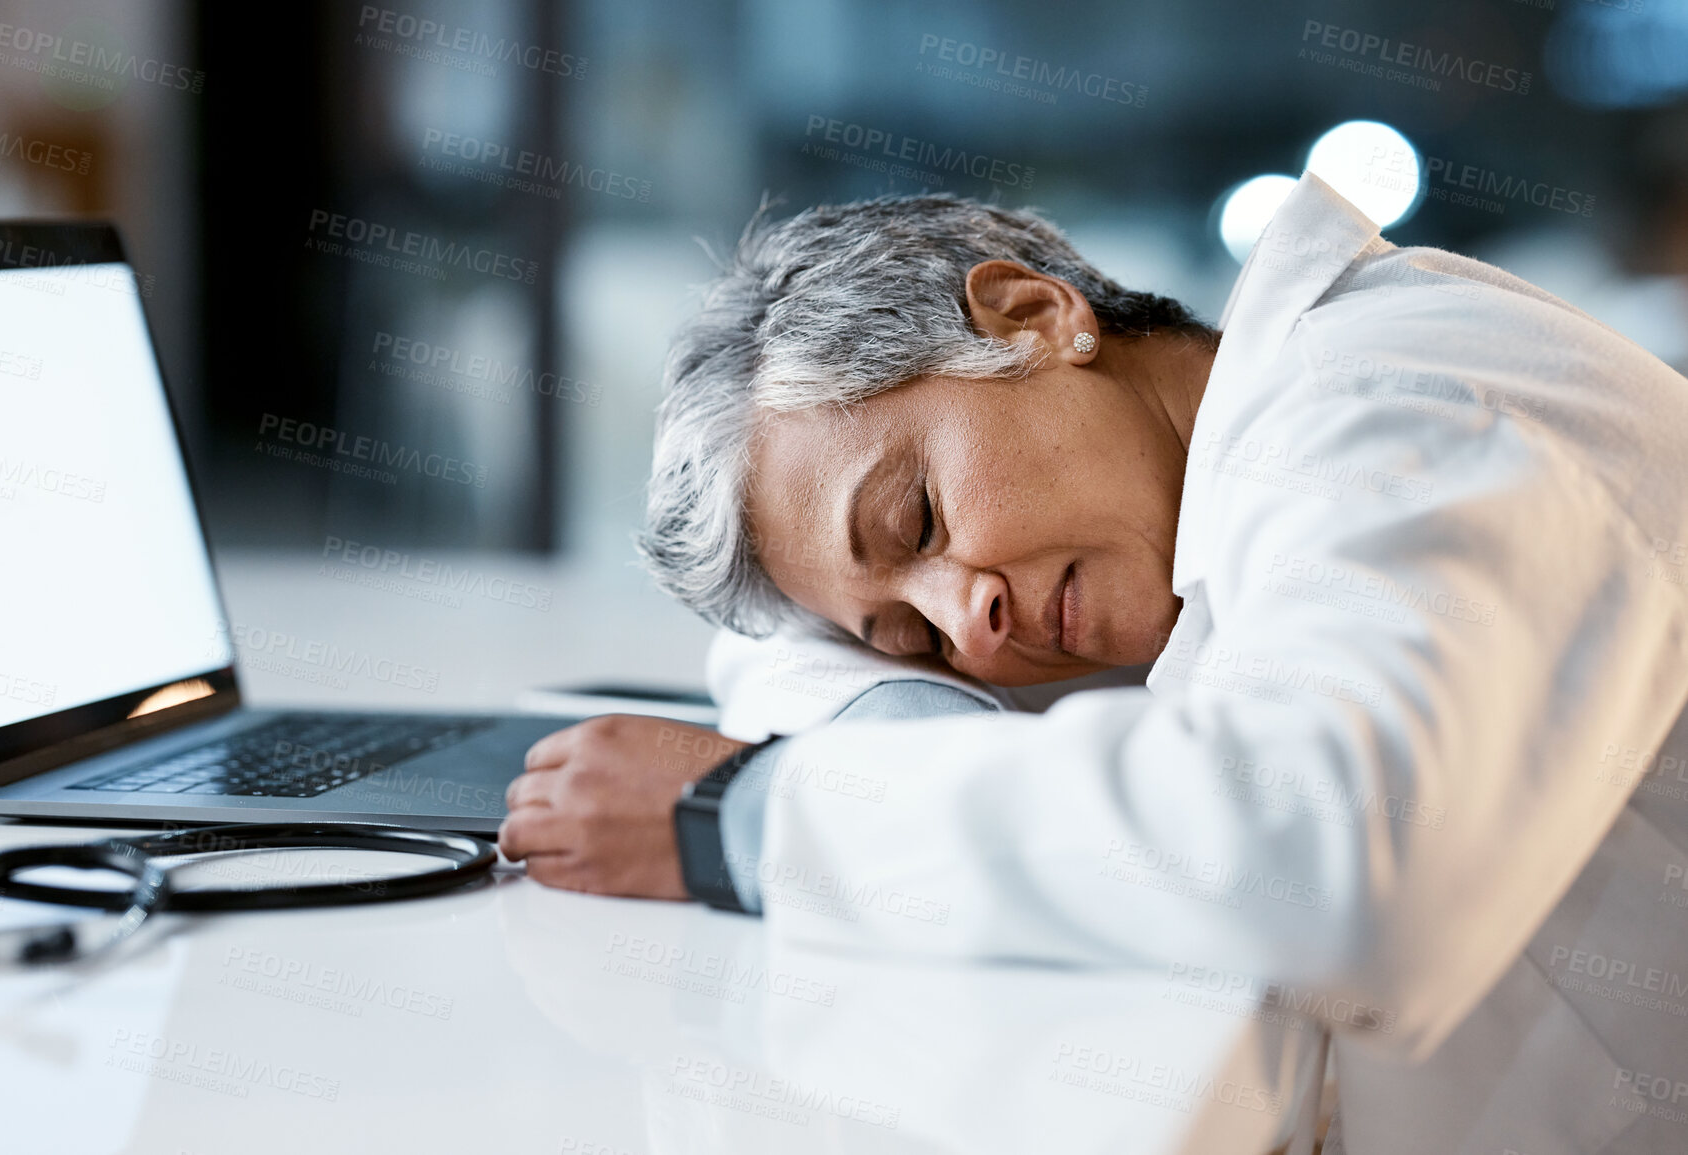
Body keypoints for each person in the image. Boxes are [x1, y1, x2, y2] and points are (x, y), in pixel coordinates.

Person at [500, 175, 1688, 1153]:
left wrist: (745, 820)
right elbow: (767, 656)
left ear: (1030, 314)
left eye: (915, 521)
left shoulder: (1402, 407)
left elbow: (1326, 855)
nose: (970, 631)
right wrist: (896, 713)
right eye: (909, 637)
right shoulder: (1190, 523)